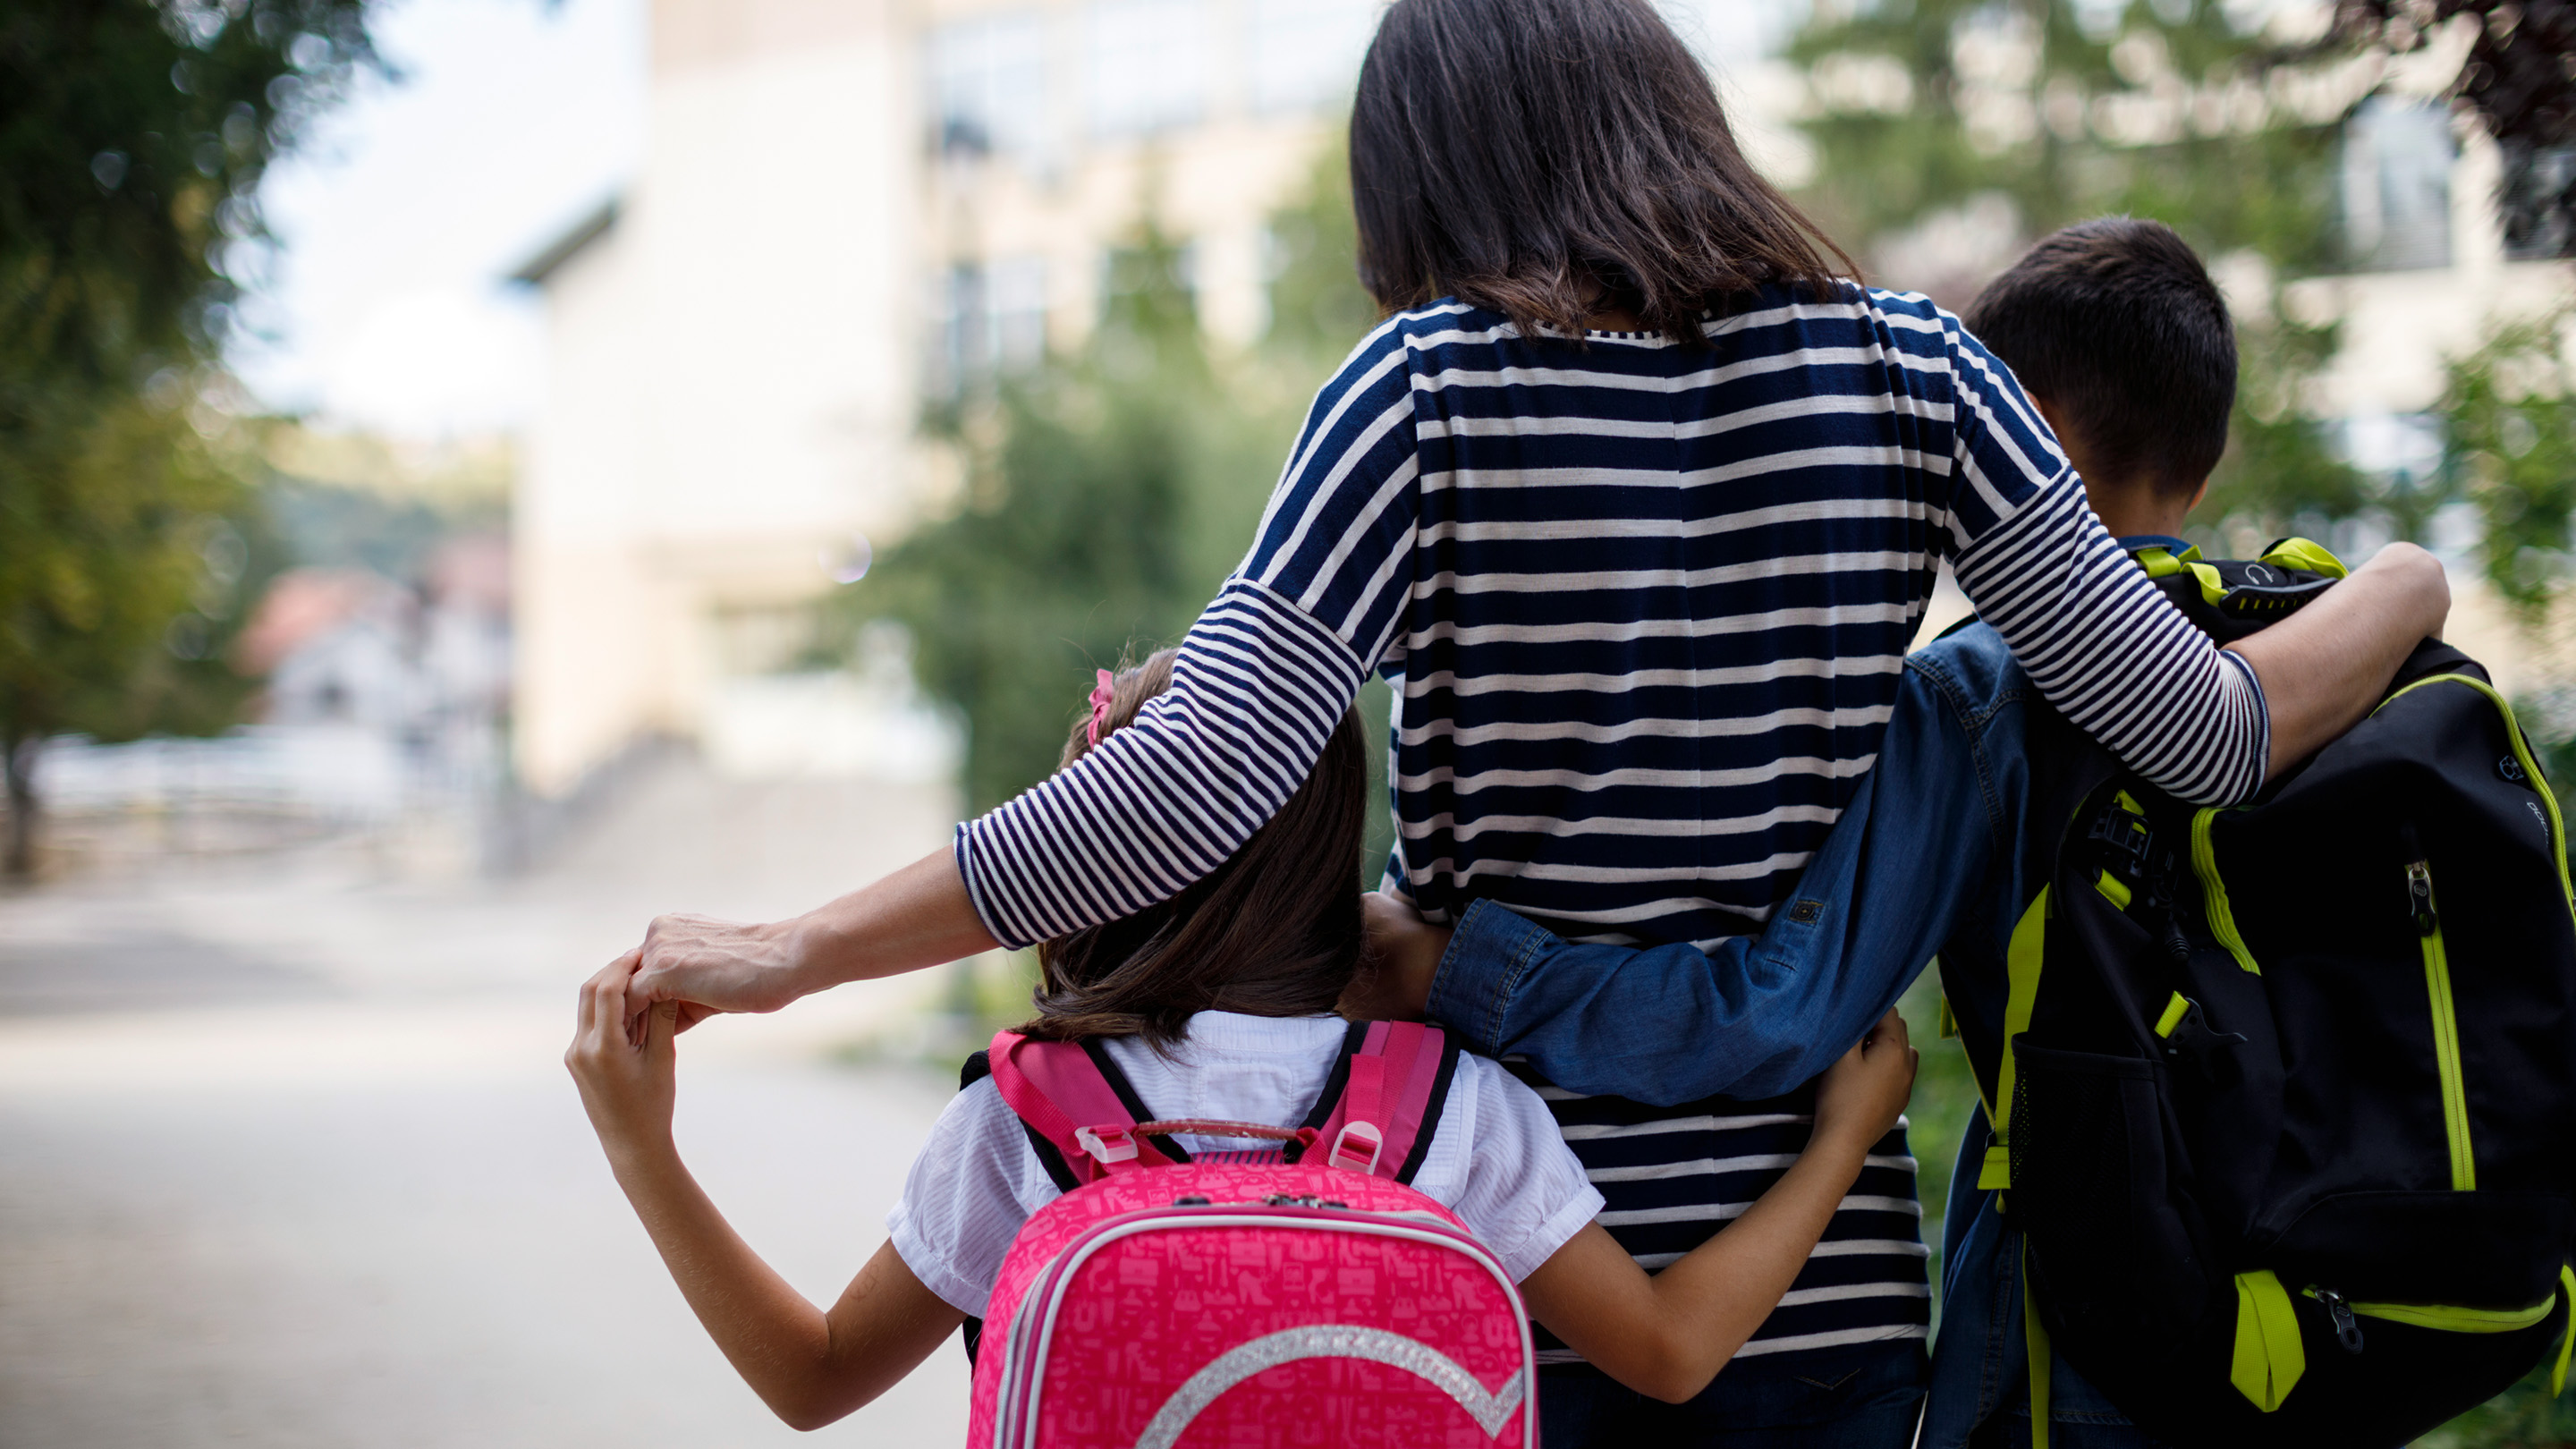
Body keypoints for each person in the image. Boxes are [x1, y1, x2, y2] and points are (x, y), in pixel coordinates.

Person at [616, 0, 2450, 1437]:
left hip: (1483, 1252)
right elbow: (2204, 733)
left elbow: (1194, 784)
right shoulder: (1922, 371)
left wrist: (797, 946)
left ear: (1425, 177)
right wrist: (2405, 587)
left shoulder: (1423, 392)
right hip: (1823, 1293)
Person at [1358, 217, 2394, 1447]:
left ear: (2025, 433)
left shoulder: (1985, 699)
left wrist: (1448, 965)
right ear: (2203, 468)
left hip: (2087, 1318)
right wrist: (2411, 577)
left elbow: (1776, 1010)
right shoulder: (2330, 654)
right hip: (2315, 1293)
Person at [566, 653, 1922, 1431]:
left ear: (1085, 858)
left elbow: (811, 1382)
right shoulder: (1450, 1107)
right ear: (1336, 851)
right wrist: (1841, 1143)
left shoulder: (1027, 1119)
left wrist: (643, 1149)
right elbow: (1674, 1352)